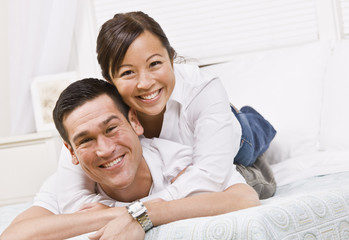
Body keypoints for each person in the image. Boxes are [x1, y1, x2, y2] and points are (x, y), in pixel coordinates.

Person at [57, 11, 276, 214]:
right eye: (127, 72)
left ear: (171, 59)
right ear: (111, 81)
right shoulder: (99, 116)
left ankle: (253, 120)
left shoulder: (203, 88)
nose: (145, 83)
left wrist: (134, 211)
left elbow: (210, 178)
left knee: (251, 137)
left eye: (154, 64)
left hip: (237, 134)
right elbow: (72, 200)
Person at [0, 78, 260, 240]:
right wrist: (126, 215)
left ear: (134, 121)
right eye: (85, 140)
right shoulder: (66, 185)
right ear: (71, 153)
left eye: (111, 128)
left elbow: (245, 197)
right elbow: (14, 236)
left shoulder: (180, 160)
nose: (104, 149)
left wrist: (145, 214)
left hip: (241, 136)